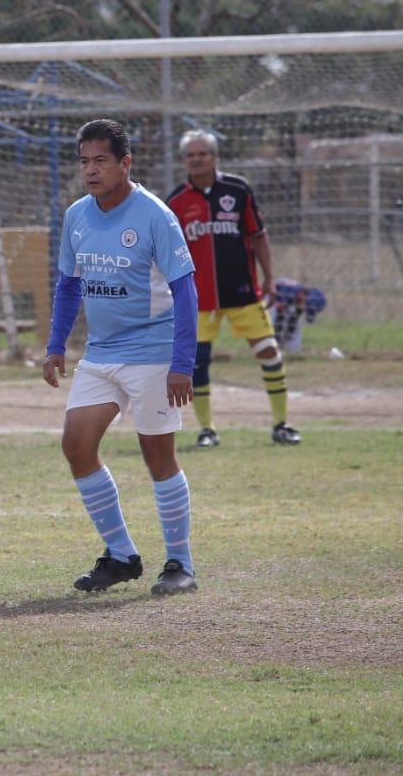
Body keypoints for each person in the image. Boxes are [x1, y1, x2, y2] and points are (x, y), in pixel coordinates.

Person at [42, 119, 200, 597]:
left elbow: (184, 289)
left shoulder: (155, 214)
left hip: (154, 351)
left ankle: (180, 563)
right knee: (77, 444)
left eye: (101, 161)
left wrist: (182, 363)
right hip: (102, 353)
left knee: (157, 455)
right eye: (85, 162)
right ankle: (121, 555)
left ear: (125, 163)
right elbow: (69, 285)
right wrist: (55, 345)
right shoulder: (77, 216)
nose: (91, 171)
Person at [167, 130, 300, 447]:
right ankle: (206, 429)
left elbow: (258, 236)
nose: (197, 160)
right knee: (198, 362)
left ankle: (281, 424)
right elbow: (167, 252)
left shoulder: (238, 190)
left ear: (214, 157)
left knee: (269, 352)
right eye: (191, 155)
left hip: (242, 292)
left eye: (203, 154)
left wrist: (269, 277)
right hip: (197, 299)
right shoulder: (175, 202)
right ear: (184, 160)